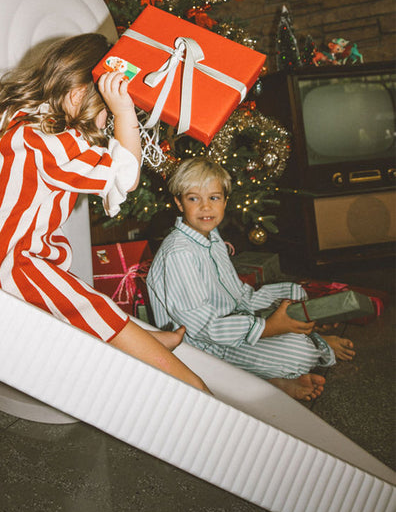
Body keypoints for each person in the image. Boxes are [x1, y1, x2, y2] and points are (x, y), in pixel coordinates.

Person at [0, 33, 208, 393]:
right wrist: (124, 114)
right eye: (103, 112)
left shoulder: (11, 120)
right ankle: (190, 385)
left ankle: (145, 341)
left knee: (79, 295)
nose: (104, 123)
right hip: (11, 266)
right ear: (77, 97)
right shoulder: (50, 143)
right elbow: (127, 175)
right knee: (87, 307)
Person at [146, 156, 355, 402]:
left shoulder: (211, 237)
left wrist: (278, 306)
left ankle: (299, 331)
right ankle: (275, 375)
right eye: (194, 198)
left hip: (230, 325)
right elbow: (203, 328)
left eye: (214, 198)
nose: (205, 207)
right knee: (301, 353)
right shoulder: (179, 253)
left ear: (225, 201)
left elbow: (240, 296)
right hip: (202, 347)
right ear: (179, 203)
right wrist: (268, 328)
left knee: (295, 291)